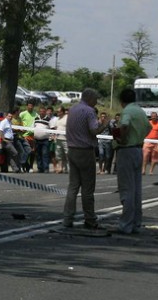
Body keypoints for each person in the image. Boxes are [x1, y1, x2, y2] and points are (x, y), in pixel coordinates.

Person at [62, 88, 108, 229]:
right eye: (95, 100)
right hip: (85, 150)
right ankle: (90, 219)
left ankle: (67, 218)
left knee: (73, 186)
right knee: (87, 188)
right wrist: (104, 124)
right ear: (89, 99)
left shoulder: (73, 109)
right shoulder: (89, 111)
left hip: (72, 149)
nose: (95, 103)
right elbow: (94, 130)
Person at [115, 88, 151, 234]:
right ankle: (136, 222)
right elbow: (148, 127)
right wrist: (139, 136)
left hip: (126, 149)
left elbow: (124, 125)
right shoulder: (140, 111)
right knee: (136, 189)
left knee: (126, 189)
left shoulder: (127, 111)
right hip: (138, 149)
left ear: (122, 101)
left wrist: (122, 138)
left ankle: (126, 225)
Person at [141, 111, 158, 176]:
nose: (153, 118)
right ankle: (143, 170)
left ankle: (151, 171)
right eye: (152, 117)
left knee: (155, 157)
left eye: (155, 117)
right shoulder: (148, 123)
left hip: (156, 142)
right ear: (151, 117)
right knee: (145, 156)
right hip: (147, 141)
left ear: (157, 117)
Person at [33, 106, 52, 173]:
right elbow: (33, 128)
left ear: (45, 112)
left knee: (45, 154)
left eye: (43, 111)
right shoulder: (36, 118)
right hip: (37, 140)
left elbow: (52, 129)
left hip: (45, 140)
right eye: (40, 111)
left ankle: (46, 168)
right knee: (38, 155)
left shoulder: (48, 119)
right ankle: (40, 168)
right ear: (39, 112)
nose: (42, 113)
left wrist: (50, 138)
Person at [51, 106, 68, 173]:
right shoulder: (57, 119)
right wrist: (54, 136)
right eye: (57, 111)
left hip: (66, 139)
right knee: (59, 155)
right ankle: (60, 168)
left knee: (67, 154)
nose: (57, 113)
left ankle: (67, 168)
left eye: (59, 111)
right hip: (58, 139)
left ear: (62, 112)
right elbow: (56, 128)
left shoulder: (67, 118)